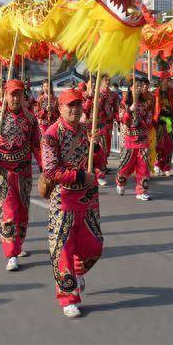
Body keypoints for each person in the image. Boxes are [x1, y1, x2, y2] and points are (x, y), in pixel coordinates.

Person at [41, 87, 103, 318]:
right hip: (63, 200)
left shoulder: (89, 130)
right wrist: (79, 176)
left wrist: (95, 146)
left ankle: (77, 273)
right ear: (60, 108)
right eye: (70, 105)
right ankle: (68, 297)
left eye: (78, 104)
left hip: (88, 199)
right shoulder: (50, 135)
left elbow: (101, 162)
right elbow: (50, 170)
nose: (75, 109)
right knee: (63, 250)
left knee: (94, 246)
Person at [0, 79, 40, 272]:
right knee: (9, 212)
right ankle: (11, 254)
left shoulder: (31, 119)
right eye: (12, 94)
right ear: (5, 95)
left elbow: (37, 146)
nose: (15, 98)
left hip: (23, 172)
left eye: (19, 94)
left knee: (23, 212)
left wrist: (44, 169)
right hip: (2, 172)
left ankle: (18, 243)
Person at [116, 80, 153, 200]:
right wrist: (130, 110)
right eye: (136, 86)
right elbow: (122, 119)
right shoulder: (124, 103)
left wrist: (143, 122)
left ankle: (142, 190)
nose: (138, 88)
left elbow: (149, 117)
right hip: (129, 139)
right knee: (126, 165)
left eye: (140, 86)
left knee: (144, 165)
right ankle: (121, 182)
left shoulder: (146, 102)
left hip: (143, 138)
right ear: (130, 88)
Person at [151, 71, 173, 176]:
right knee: (159, 144)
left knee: (169, 144)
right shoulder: (155, 93)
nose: (169, 81)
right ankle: (157, 164)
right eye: (167, 79)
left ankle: (166, 167)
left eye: (169, 79)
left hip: (170, 121)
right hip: (159, 122)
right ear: (161, 80)